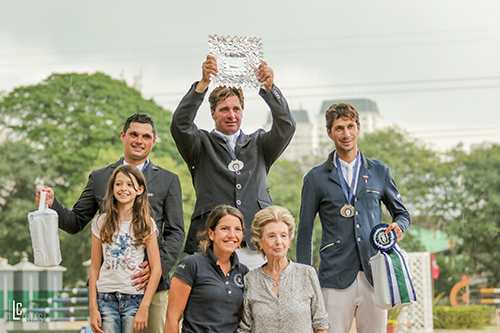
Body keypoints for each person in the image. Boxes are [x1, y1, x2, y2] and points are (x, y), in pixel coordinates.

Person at [36, 113, 184, 333]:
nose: (139, 141)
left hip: (152, 286)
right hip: (110, 291)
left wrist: (155, 267)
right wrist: (52, 204)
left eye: (146, 136)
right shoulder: (100, 177)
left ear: (153, 141)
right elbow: (75, 222)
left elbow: (175, 232)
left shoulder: (168, 180)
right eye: (134, 134)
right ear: (123, 136)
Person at [171, 55, 295, 269]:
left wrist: (269, 88)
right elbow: (180, 124)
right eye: (224, 109)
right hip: (211, 246)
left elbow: (286, 127)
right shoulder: (200, 145)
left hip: (254, 245)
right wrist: (202, 85)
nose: (231, 115)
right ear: (212, 113)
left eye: (236, 109)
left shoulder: (260, 144)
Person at [296, 103, 411, 333]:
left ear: (358, 128)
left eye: (350, 126)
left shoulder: (380, 171)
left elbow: (402, 214)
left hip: (374, 275)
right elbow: (305, 231)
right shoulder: (315, 178)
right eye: (339, 128)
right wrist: (304, 278)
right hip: (334, 277)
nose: (346, 134)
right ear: (329, 132)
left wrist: (399, 226)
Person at [89, 165, 162, 333]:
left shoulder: (146, 223)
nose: (123, 188)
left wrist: (145, 306)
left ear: (140, 189)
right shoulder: (100, 222)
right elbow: (94, 267)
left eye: (130, 184)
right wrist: (93, 308)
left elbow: (156, 269)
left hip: (134, 299)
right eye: (119, 184)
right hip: (106, 298)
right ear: (112, 188)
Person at [237, 206, 329, 333]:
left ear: (289, 241)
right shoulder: (250, 279)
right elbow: (246, 328)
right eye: (271, 236)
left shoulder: (307, 274)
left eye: (283, 235)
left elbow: (320, 324)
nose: (278, 241)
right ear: (260, 242)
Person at [165, 205, 249, 333]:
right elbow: (172, 318)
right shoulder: (191, 265)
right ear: (211, 233)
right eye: (224, 229)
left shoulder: (243, 272)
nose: (232, 235)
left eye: (237, 229)